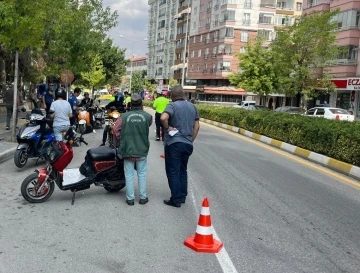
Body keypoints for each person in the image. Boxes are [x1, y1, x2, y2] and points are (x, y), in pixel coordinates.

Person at [160, 85, 200, 208]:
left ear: (171, 95)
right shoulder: (193, 107)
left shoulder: (172, 106)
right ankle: (182, 196)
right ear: (183, 94)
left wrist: (167, 128)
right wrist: (190, 140)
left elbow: (163, 117)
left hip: (174, 144)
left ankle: (176, 199)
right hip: (188, 144)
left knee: (173, 171)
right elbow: (197, 127)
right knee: (183, 170)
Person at [115, 94, 152, 206]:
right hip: (142, 149)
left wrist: (119, 143)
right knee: (141, 174)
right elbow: (148, 125)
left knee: (129, 174)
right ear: (141, 104)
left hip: (128, 150)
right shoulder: (148, 116)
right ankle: (143, 197)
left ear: (130, 104)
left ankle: (130, 199)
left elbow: (115, 129)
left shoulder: (124, 116)